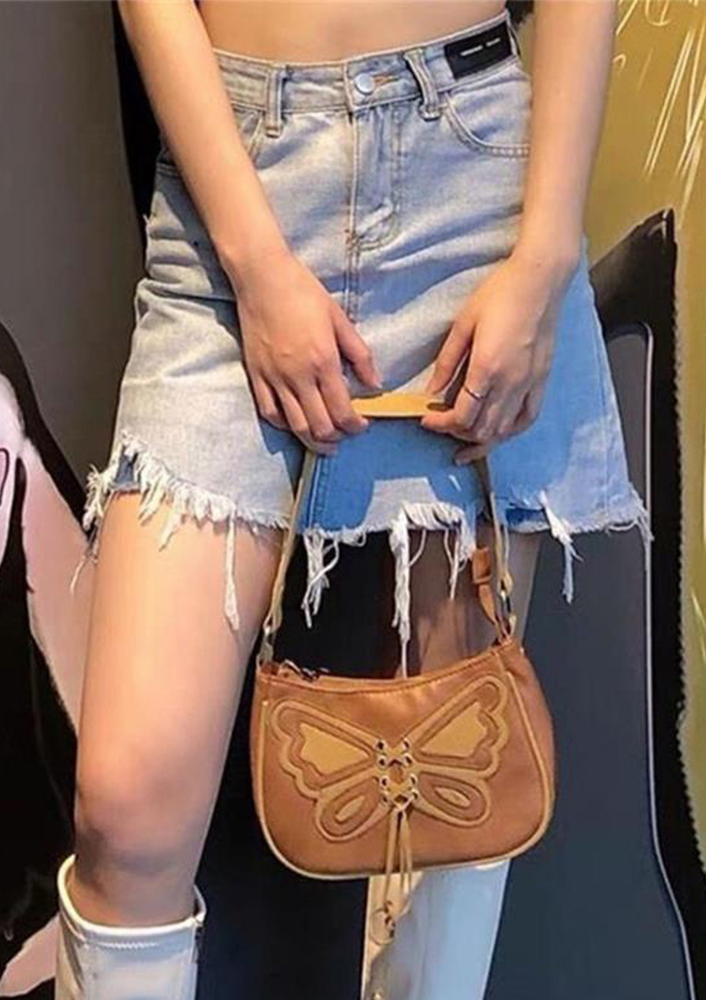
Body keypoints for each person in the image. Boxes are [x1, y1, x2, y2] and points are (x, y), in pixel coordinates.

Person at [55, 1, 649, 997]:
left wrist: (545, 257)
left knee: (457, 797)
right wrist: (255, 267)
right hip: (234, 187)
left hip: (473, 195)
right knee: (127, 812)